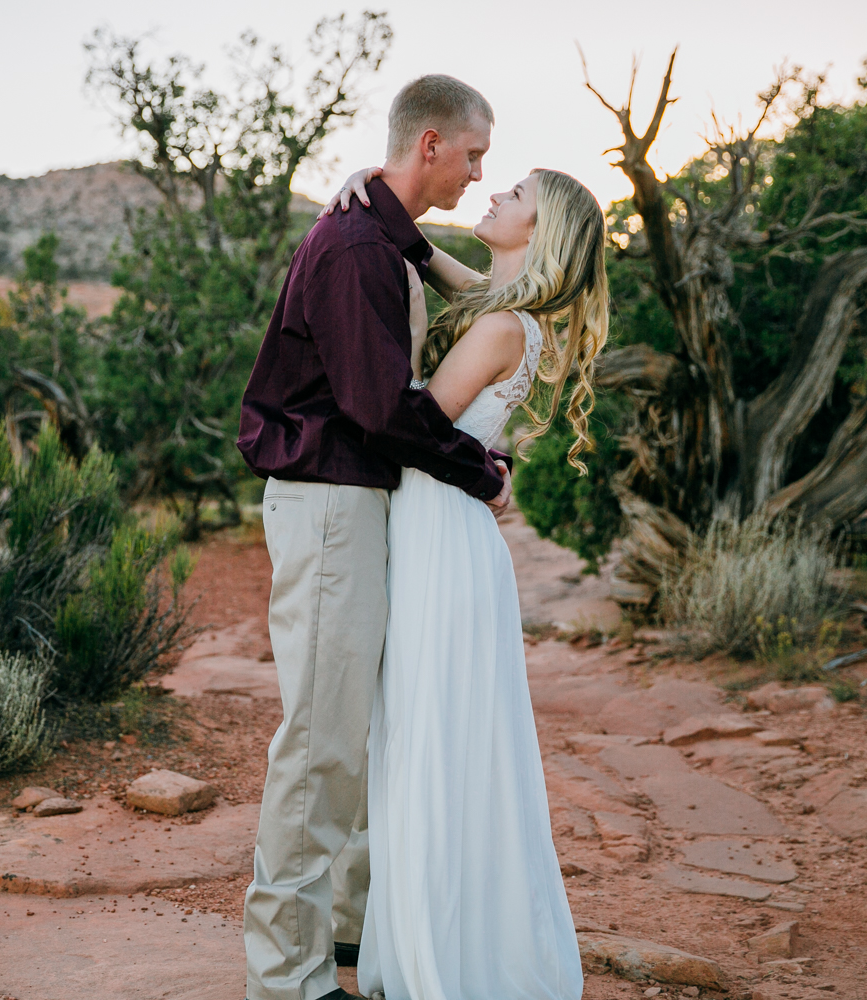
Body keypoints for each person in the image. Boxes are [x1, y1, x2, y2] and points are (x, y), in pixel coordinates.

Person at [236, 74, 512, 1000]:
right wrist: (482, 473)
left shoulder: (381, 233)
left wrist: (376, 189)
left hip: (362, 505)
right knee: (320, 740)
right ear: (430, 143)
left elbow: (459, 279)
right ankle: (288, 979)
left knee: (363, 727)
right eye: (473, 154)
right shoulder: (355, 246)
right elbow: (376, 407)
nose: (481, 173)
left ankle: (351, 933)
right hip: (328, 505)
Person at [325, 160, 609, 999]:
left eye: (514, 195)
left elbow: (412, 421)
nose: (495, 195)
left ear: (540, 231)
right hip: (442, 531)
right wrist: (367, 186)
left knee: (428, 734)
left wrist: (488, 471)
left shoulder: (499, 326)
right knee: (432, 732)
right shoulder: (501, 309)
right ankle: (442, 933)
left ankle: (441, 953)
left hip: (442, 538)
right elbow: (427, 258)